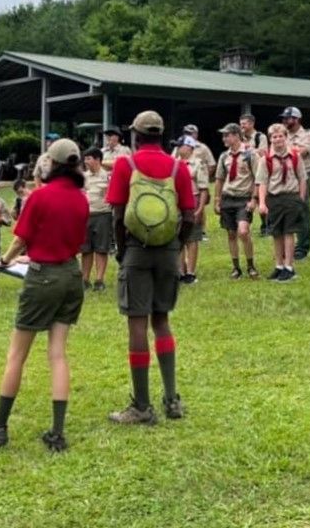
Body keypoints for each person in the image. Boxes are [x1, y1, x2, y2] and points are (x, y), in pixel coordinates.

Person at [0, 138, 88, 452]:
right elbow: (66, 240)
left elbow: (21, 238)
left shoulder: (40, 196)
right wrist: (34, 255)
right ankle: (57, 433)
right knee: (58, 354)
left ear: (52, 163)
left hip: (42, 279)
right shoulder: (81, 198)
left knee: (16, 355)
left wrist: (6, 260)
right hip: (71, 275)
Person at [106, 110, 196, 425]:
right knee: (162, 322)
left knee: (136, 324)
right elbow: (189, 215)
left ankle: (142, 406)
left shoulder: (124, 165)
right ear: (161, 135)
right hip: (168, 252)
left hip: (136, 251)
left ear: (136, 135)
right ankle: (172, 399)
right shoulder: (178, 167)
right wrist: (178, 246)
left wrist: (121, 249)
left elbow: (117, 214)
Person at [256, 123, 307, 282]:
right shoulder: (266, 160)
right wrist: (262, 203)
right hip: (274, 198)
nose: (277, 139)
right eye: (274, 137)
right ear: (270, 139)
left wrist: (301, 198)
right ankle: (279, 266)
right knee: (276, 233)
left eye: (280, 136)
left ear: (286, 138)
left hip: (291, 197)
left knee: (289, 232)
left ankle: (289, 267)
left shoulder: (295, 156)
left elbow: (302, 178)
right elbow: (262, 183)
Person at [214, 123, 259, 280]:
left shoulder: (249, 154)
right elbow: (219, 179)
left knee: (243, 231)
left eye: (227, 135)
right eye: (224, 135)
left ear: (236, 135)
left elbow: (257, 178)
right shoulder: (224, 157)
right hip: (228, 197)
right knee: (231, 233)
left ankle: (251, 265)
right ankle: (236, 267)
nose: (224, 138)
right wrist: (217, 199)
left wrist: (254, 199)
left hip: (243, 198)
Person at [282, 107, 310, 260]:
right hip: (285, 177)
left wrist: (285, 150)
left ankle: (302, 247)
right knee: (285, 211)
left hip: (302, 177)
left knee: (302, 212)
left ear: (296, 119)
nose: (284, 121)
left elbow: (301, 152)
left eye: (287, 118)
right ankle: (287, 246)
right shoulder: (282, 135)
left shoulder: (307, 135)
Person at [175, 136, 210, 284]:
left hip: (192, 200)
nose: (178, 148)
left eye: (180, 146)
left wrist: (200, 209)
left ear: (189, 148)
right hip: (176, 203)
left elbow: (203, 189)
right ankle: (180, 271)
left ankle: (190, 272)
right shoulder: (174, 164)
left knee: (192, 238)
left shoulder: (198, 164)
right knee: (178, 238)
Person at [80, 148, 112, 291]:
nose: (86, 162)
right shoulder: (83, 177)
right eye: (85, 159)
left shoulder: (107, 176)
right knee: (86, 249)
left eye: (89, 159)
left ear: (98, 160)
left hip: (102, 215)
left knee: (101, 248)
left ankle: (99, 280)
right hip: (85, 216)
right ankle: (85, 279)